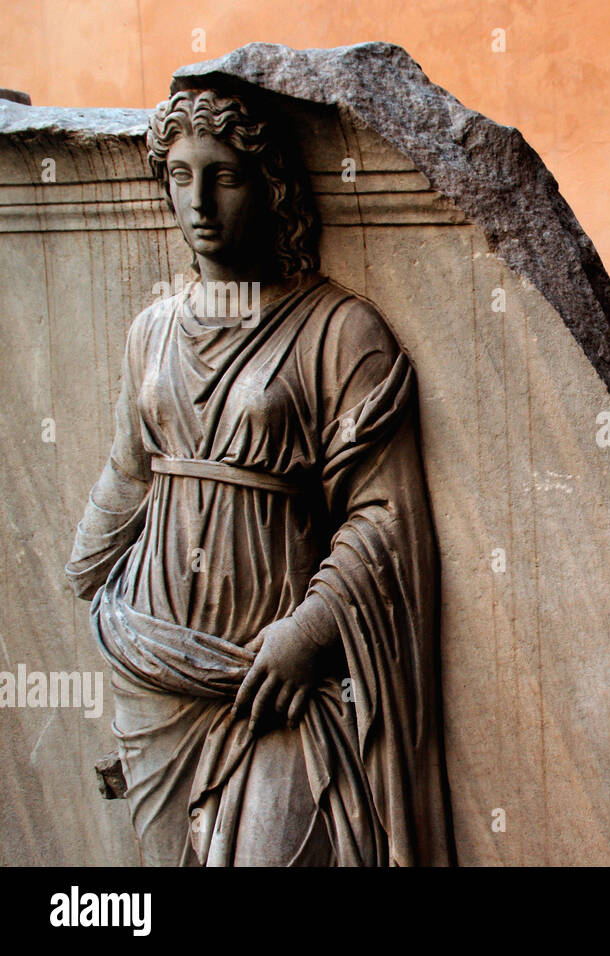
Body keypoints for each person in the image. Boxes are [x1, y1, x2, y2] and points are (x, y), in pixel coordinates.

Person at [66, 88, 450, 866]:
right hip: (157, 662)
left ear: (271, 185)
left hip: (270, 674)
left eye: (224, 177)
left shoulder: (339, 330)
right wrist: (83, 572)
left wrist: (310, 633)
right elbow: (131, 467)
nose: (198, 203)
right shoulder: (153, 330)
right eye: (178, 176)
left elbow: (383, 516)